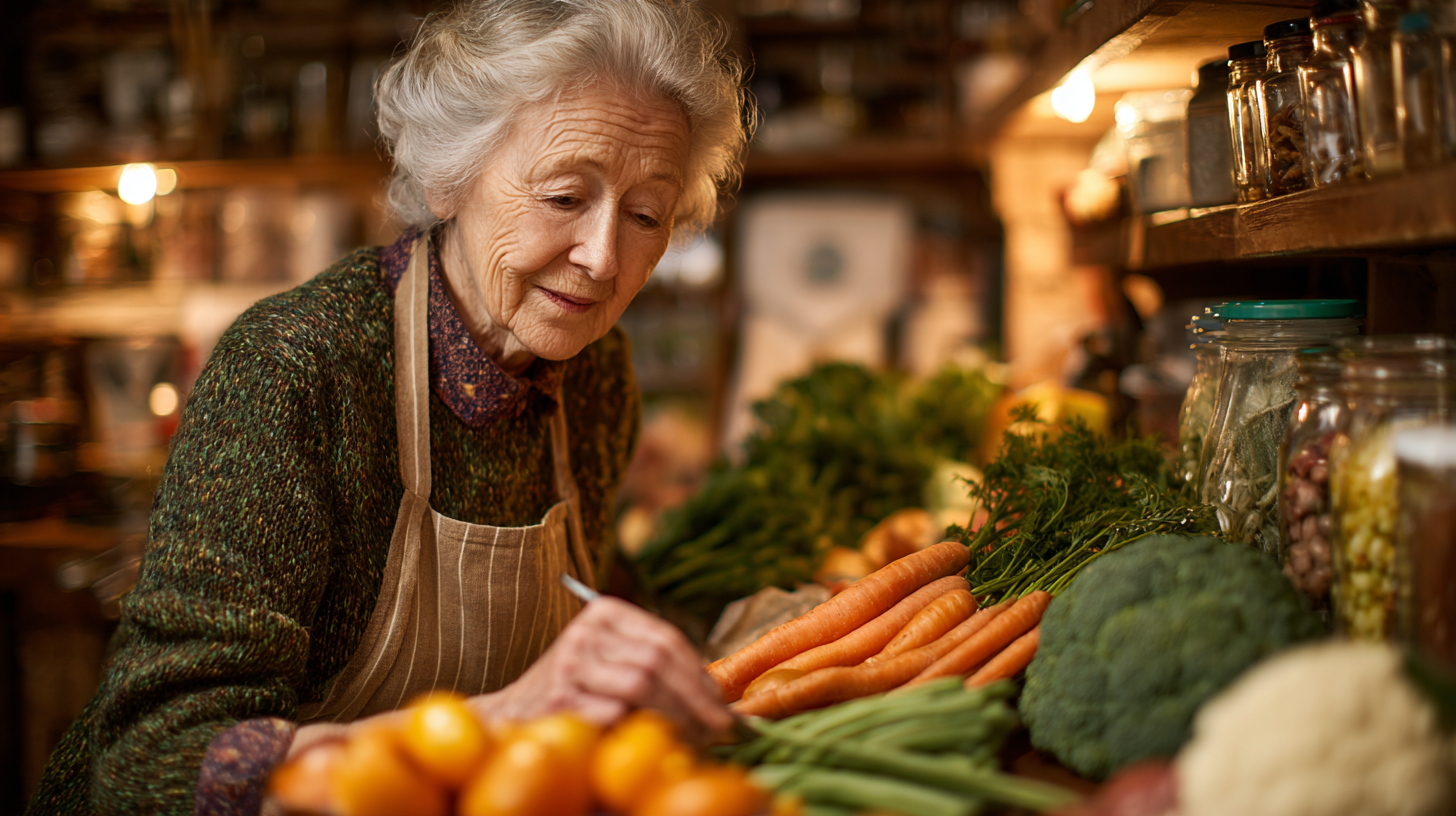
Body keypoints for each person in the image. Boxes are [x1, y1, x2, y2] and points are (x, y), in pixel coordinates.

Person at [28, 2, 748, 813]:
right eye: (563, 197)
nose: (603, 256)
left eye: (647, 215)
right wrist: (509, 717)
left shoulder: (596, 370)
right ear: (451, 175)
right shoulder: (297, 368)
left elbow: (584, 597)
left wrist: (736, 635)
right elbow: (146, 760)